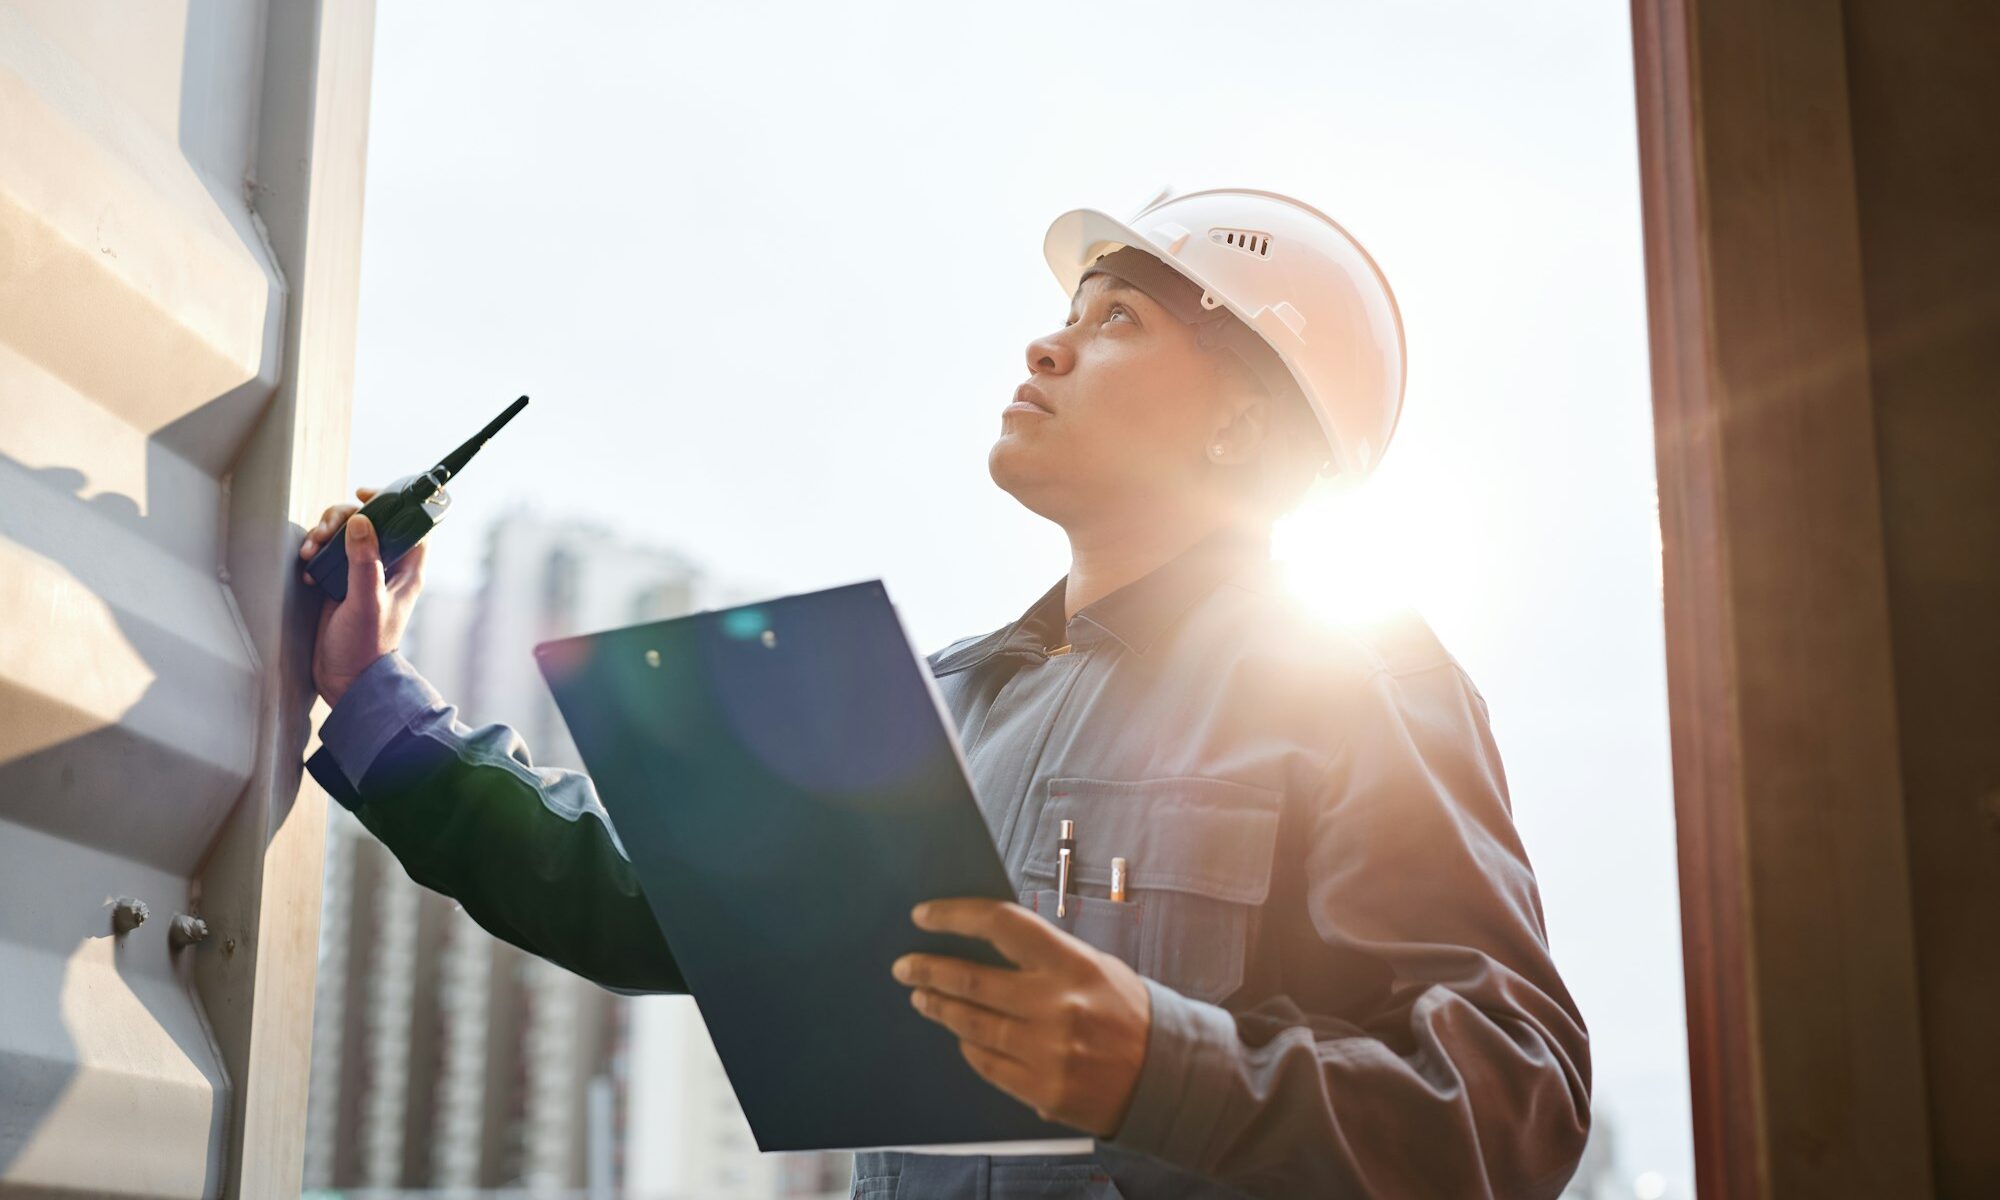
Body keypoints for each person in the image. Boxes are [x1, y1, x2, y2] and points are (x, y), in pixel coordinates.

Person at [301, 188, 1591, 1198]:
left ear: (1244, 430)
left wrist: (1164, 1068)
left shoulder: (1355, 680)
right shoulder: (949, 711)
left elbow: (1508, 1104)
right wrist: (368, 693)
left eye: (1117, 321)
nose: (1047, 340)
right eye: (1072, 312)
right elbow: (651, 900)